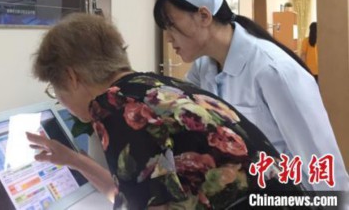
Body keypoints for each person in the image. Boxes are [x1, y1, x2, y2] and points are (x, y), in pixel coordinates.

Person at [27, 12, 311, 209]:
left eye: (55, 90)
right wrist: (75, 160)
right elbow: (133, 195)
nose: (60, 100)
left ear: (72, 77)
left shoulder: (117, 108)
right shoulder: (158, 87)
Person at [153, 0, 349, 193]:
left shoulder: (273, 70)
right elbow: (178, 113)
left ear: (204, 16)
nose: (168, 38)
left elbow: (323, 163)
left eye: (171, 25)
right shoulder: (203, 68)